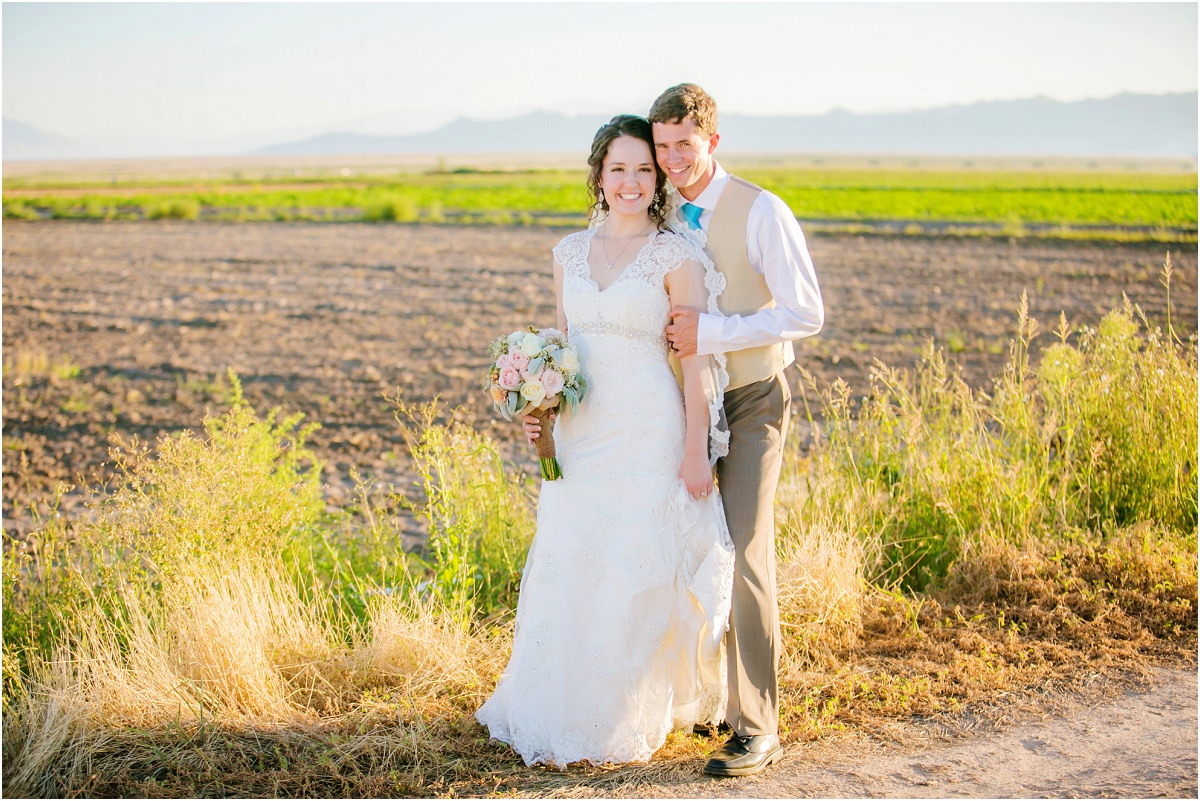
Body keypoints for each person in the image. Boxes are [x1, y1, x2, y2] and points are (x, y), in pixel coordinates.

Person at [475, 114, 736, 768]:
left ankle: (621, 710)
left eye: (643, 168)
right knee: (574, 554)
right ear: (599, 174)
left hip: (651, 428)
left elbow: (698, 360)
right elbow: (563, 347)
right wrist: (540, 405)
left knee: (634, 562)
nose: (630, 180)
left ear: (657, 178)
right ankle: (560, 703)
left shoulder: (677, 257)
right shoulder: (568, 254)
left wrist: (696, 447)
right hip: (584, 431)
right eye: (618, 168)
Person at [650, 83, 825, 777]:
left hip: (752, 399)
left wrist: (715, 331)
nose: (672, 161)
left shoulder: (762, 210)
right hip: (679, 405)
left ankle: (757, 724)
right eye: (661, 148)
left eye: (684, 146)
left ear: (712, 141)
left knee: (748, 551)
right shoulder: (654, 208)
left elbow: (805, 311)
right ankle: (701, 700)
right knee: (688, 546)